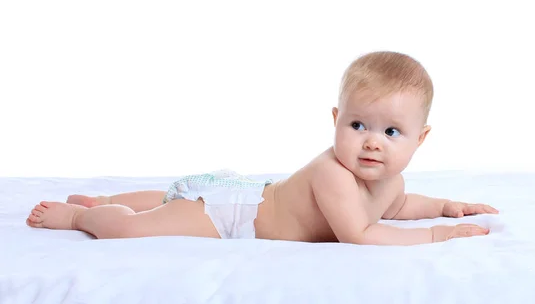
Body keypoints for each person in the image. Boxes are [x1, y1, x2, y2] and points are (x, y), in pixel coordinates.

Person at [26, 51, 498, 245]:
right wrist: (437, 236)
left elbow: (399, 205)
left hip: (248, 193)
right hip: (233, 214)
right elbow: (362, 234)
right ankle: (84, 216)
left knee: (171, 203)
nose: (372, 141)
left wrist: (446, 207)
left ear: (421, 138)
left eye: (391, 132)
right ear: (336, 121)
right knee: (140, 231)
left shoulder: (388, 178)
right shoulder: (334, 173)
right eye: (358, 124)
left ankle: (106, 200)